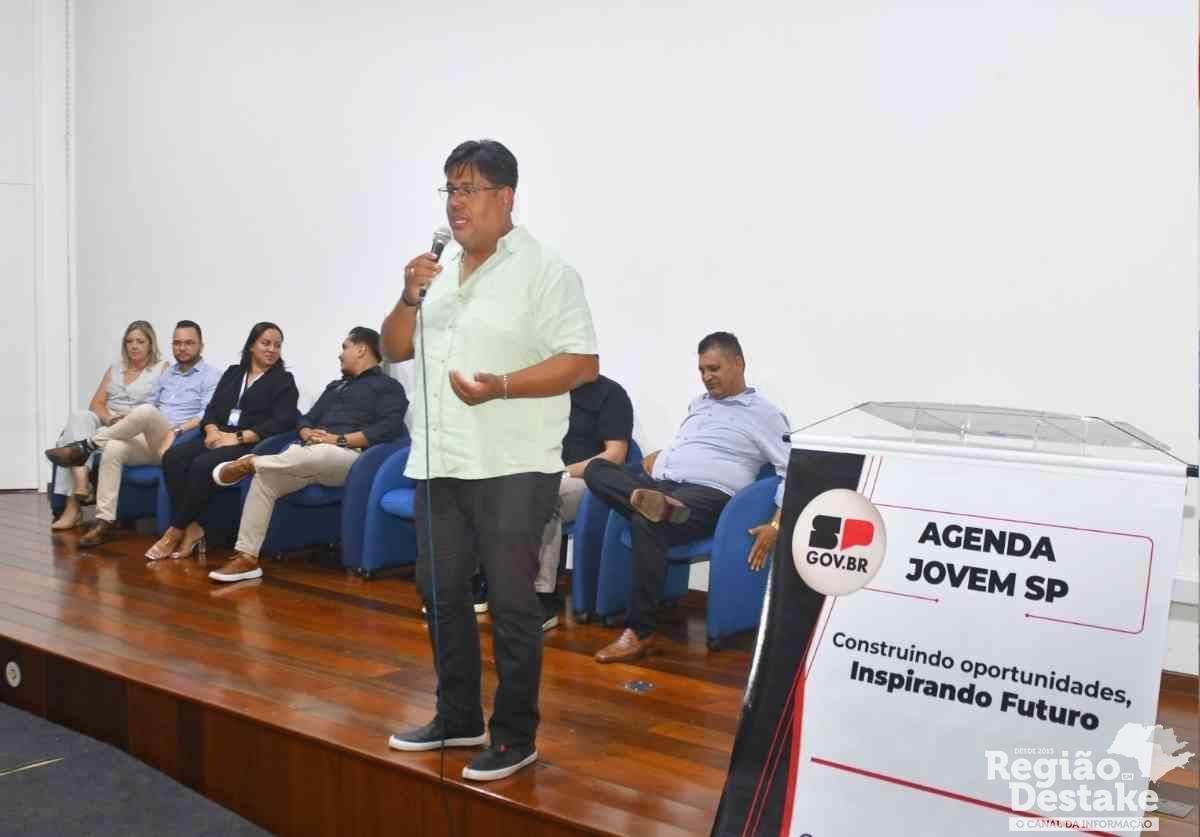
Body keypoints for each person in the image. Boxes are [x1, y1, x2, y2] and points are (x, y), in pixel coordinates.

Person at [381, 140, 598, 782]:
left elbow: (582, 363)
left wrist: (501, 386)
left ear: (505, 198)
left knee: (509, 601)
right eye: (449, 189)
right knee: (439, 592)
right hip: (440, 459)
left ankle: (514, 735)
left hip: (512, 463)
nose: (456, 203)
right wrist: (408, 296)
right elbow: (394, 348)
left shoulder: (546, 270)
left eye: (468, 189)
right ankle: (457, 717)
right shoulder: (437, 271)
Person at [583, 332, 789, 663]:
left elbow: (792, 469)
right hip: (665, 486)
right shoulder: (699, 405)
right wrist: (659, 461)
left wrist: (776, 525)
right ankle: (650, 501)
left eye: (714, 368)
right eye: (702, 370)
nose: (707, 377)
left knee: (647, 522)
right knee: (596, 469)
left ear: (738, 363)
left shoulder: (764, 414)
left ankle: (641, 632)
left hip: (709, 495)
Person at [207, 327, 409, 583]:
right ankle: (246, 558)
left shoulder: (388, 387)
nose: (340, 354)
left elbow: (388, 428)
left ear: (361, 349)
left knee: (319, 454)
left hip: (351, 458)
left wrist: (339, 440)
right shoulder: (336, 387)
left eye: (345, 347)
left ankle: (252, 463)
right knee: (266, 479)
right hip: (307, 454)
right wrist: (306, 432)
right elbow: (306, 418)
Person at [44, 320, 222, 547]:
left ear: (201, 345)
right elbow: (151, 404)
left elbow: (207, 415)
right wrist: (126, 421)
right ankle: (105, 521)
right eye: (177, 343)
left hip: (180, 441)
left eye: (189, 343)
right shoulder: (169, 375)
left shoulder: (212, 375)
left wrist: (177, 430)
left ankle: (87, 446)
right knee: (114, 448)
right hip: (154, 439)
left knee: (145, 411)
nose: (182, 348)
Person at [147, 322, 299, 561]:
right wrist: (211, 431)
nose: (271, 349)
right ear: (251, 346)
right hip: (218, 436)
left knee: (201, 465)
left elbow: (282, 422)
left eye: (277, 345)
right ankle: (193, 527)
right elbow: (212, 409)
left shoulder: (284, 380)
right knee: (174, 457)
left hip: (251, 444)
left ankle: (175, 531)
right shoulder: (233, 373)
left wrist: (237, 438)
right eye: (265, 343)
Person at [535, 375, 633, 630]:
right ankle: (485, 583)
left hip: (586, 480)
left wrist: (561, 472)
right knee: (492, 489)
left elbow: (616, 455)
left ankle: (541, 596)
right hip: (540, 474)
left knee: (543, 496)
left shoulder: (609, 393)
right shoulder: (547, 389)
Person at [49, 320, 168, 530]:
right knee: (80, 417)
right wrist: (108, 418)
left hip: (135, 426)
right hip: (109, 421)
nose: (134, 346)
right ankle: (81, 482)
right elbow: (96, 403)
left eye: (140, 341)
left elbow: (161, 409)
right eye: (129, 341)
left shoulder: (162, 369)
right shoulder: (115, 369)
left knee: (72, 443)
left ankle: (72, 507)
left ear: (151, 344)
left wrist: (128, 419)